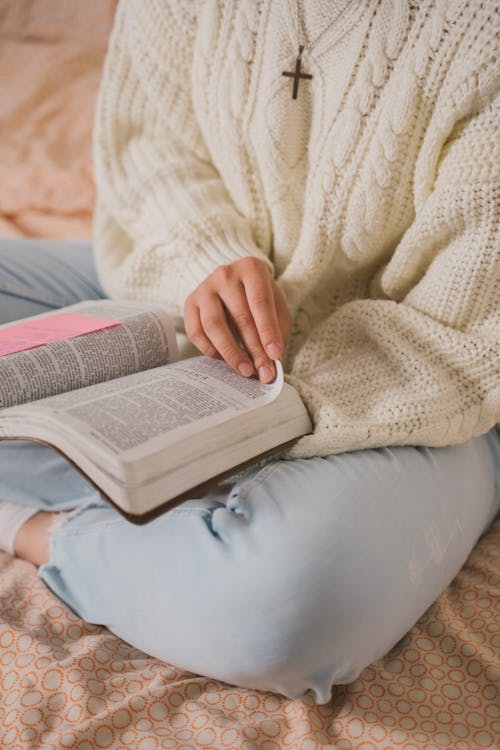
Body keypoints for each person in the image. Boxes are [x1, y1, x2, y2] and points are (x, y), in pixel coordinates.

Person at [0, 0, 498, 703]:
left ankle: (41, 527)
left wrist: (255, 413)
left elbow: (471, 318)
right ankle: (155, 521)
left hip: (428, 378)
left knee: (286, 607)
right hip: (180, 301)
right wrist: (208, 259)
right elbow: (153, 147)